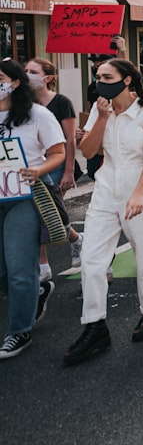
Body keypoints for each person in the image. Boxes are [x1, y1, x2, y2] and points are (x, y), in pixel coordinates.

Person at [64, 58, 143, 365]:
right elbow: (89, 151)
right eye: (97, 76)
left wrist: (138, 194)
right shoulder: (101, 108)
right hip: (106, 189)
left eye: (106, 76)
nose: (99, 81)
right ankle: (94, 326)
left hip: (142, 190)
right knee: (92, 258)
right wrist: (101, 118)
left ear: (126, 80)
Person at [0, 60, 65, 360]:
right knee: (6, 270)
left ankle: (19, 330)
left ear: (14, 83)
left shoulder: (38, 115)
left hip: (23, 198)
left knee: (20, 267)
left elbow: (58, 153)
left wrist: (38, 172)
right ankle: (34, 295)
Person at [24, 57, 83, 285]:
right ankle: (75, 242)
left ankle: (44, 267)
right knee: (42, 215)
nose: (27, 73)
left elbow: (70, 139)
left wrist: (69, 171)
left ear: (47, 78)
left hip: (58, 165)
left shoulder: (61, 103)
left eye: (32, 71)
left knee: (46, 214)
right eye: (25, 70)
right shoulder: (24, 103)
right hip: (36, 165)